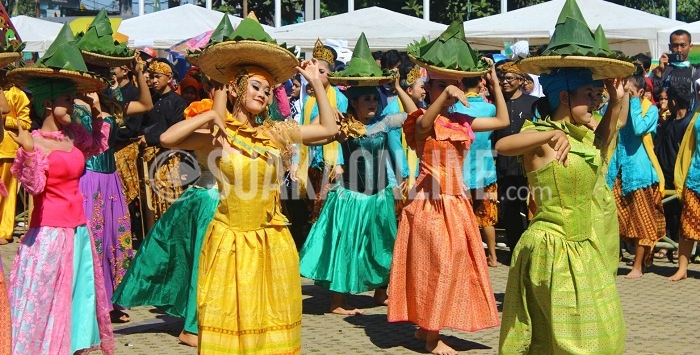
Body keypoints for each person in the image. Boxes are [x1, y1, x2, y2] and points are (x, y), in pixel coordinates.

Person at [159, 13, 338, 354]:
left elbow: (328, 130)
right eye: (256, 87)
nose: (264, 95)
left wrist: (317, 83)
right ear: (237, 88)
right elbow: (168, 138)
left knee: (267, 325)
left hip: (272, 242)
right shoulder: (219, 136)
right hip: (230, 243)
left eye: (269, 91)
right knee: (232, 324)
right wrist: (212, 114)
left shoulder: (275, 132)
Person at [497, 1, 632, 352]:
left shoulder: (581, 135)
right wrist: (546, 134)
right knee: (565, 341)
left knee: (606, 334)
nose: (596, 103)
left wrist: (616, 100)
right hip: (550, 249)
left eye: (597, 96)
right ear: (564, 95)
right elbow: (505, 145)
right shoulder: (540, 136)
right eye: (590, 96)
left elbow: (604, 141)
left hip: (583, 248)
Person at [388, 21, 509, 355]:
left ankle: (429, 326)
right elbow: (424, 127)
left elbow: (502, 121)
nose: (448, 90)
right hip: (429, 203)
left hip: (456, 202)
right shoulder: (420, 118)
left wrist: (495, 83)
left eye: (452, 85)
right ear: (430, 88)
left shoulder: (463, 122)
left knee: (452, 264)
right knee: (436, 263)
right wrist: (442, 98)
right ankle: (432, 337)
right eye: (439, 85)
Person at [7, 23, 114, 354]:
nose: (73, 105)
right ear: (49, 102)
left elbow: (97, 146)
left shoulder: (74, 138)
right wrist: (26, 150)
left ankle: (72, 345)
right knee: (46, 299)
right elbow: (35, 186)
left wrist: (99, 116)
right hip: (49, 234)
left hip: (78, 231)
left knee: (77, 296)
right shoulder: (36, 141)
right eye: (68, 99)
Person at [299, 33, 400, 315]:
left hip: (380, 197)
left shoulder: (385, 122)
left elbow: (417, 117)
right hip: (351, 198)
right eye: (366, 99)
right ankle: (338, 302)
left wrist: (397, 86)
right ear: (353, 102)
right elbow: (310, 138)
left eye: (375, 98)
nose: (372, 103)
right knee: (347, 246)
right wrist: (324, 99)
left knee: (383, 246)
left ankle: (381, 293)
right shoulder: (343, 126)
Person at [607, 74, 665, 278]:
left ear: (640, 92)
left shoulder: (652, 110)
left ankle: (638, 266)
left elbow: (639, 127)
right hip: (617, 171)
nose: (627, 95)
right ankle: (610, 262)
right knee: (611, 219)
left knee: (642, 221)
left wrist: (633, 101)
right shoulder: (617, 106)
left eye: (631, 91)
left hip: (640, 173)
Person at [491, 62, 538, 261]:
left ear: (521, 81)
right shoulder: (496, 105)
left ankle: (532, 251)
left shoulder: (533, 103)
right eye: (502, 78)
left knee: (529, 209)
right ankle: (515, 254)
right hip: (504, 167)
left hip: (527, 166)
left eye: (510, 78)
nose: (505, 82)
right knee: (509, 210)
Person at [456, 75, 500, 267]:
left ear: (460, 83)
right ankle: (492, 256)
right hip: (486, 170)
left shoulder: (455, 109)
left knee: (464, 218)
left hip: (462, 172)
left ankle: (468, 256)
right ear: (481, 83)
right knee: (487, 217)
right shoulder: (490, 109)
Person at [0, 67, 25, 245]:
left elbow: (26, 122)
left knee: (6, 192)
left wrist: (5, 120)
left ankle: (4, 230)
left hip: (7, 148)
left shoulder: (16, 94)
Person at [650, 29, 700, 110]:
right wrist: (659, 71)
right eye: (675, 45)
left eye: (683, 45)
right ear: (670, 47)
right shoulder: (662, 70)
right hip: (666, 118)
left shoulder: (696, 72)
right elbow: (654, 95)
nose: (679, 50)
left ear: (690, 47)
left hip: (690, 119)